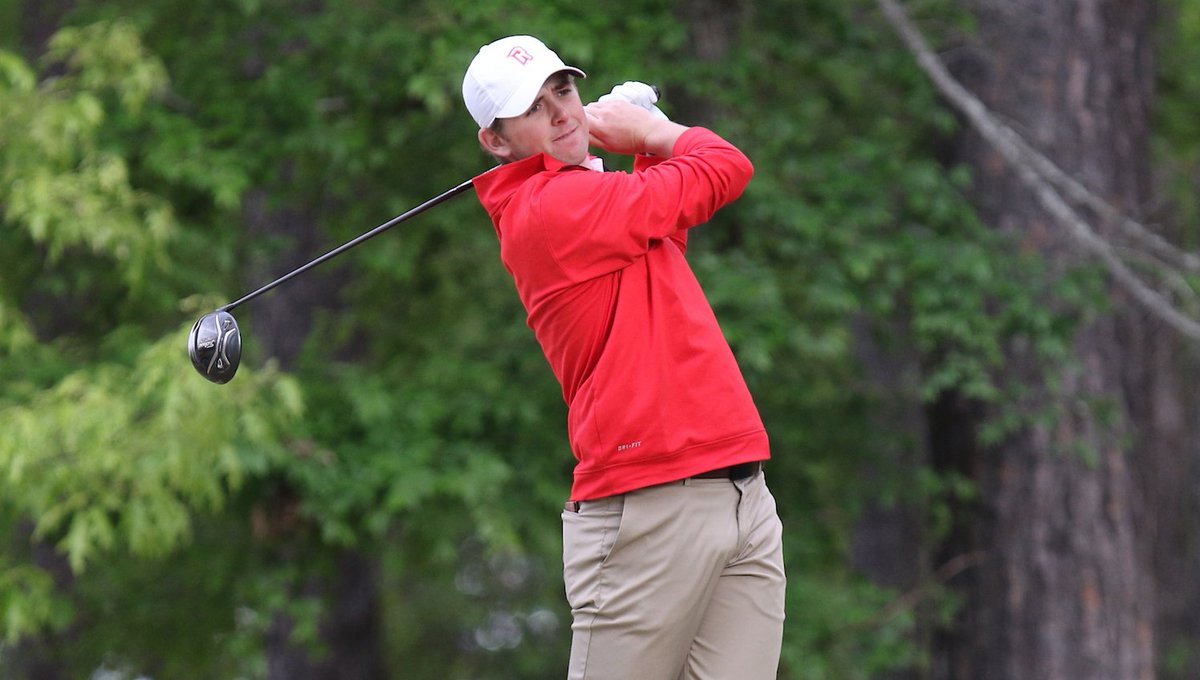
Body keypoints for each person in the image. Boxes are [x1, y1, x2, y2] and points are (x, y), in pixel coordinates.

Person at [461, 35, 785, 680]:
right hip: (646, 509)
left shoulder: (588, 197)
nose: (562, 114)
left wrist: (637, 149)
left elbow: (663, 238)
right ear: (497, 142)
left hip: (741, 493)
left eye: (565, 90)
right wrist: (657, 133)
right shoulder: (546, 208)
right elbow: (723, 167)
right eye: (533, 109)